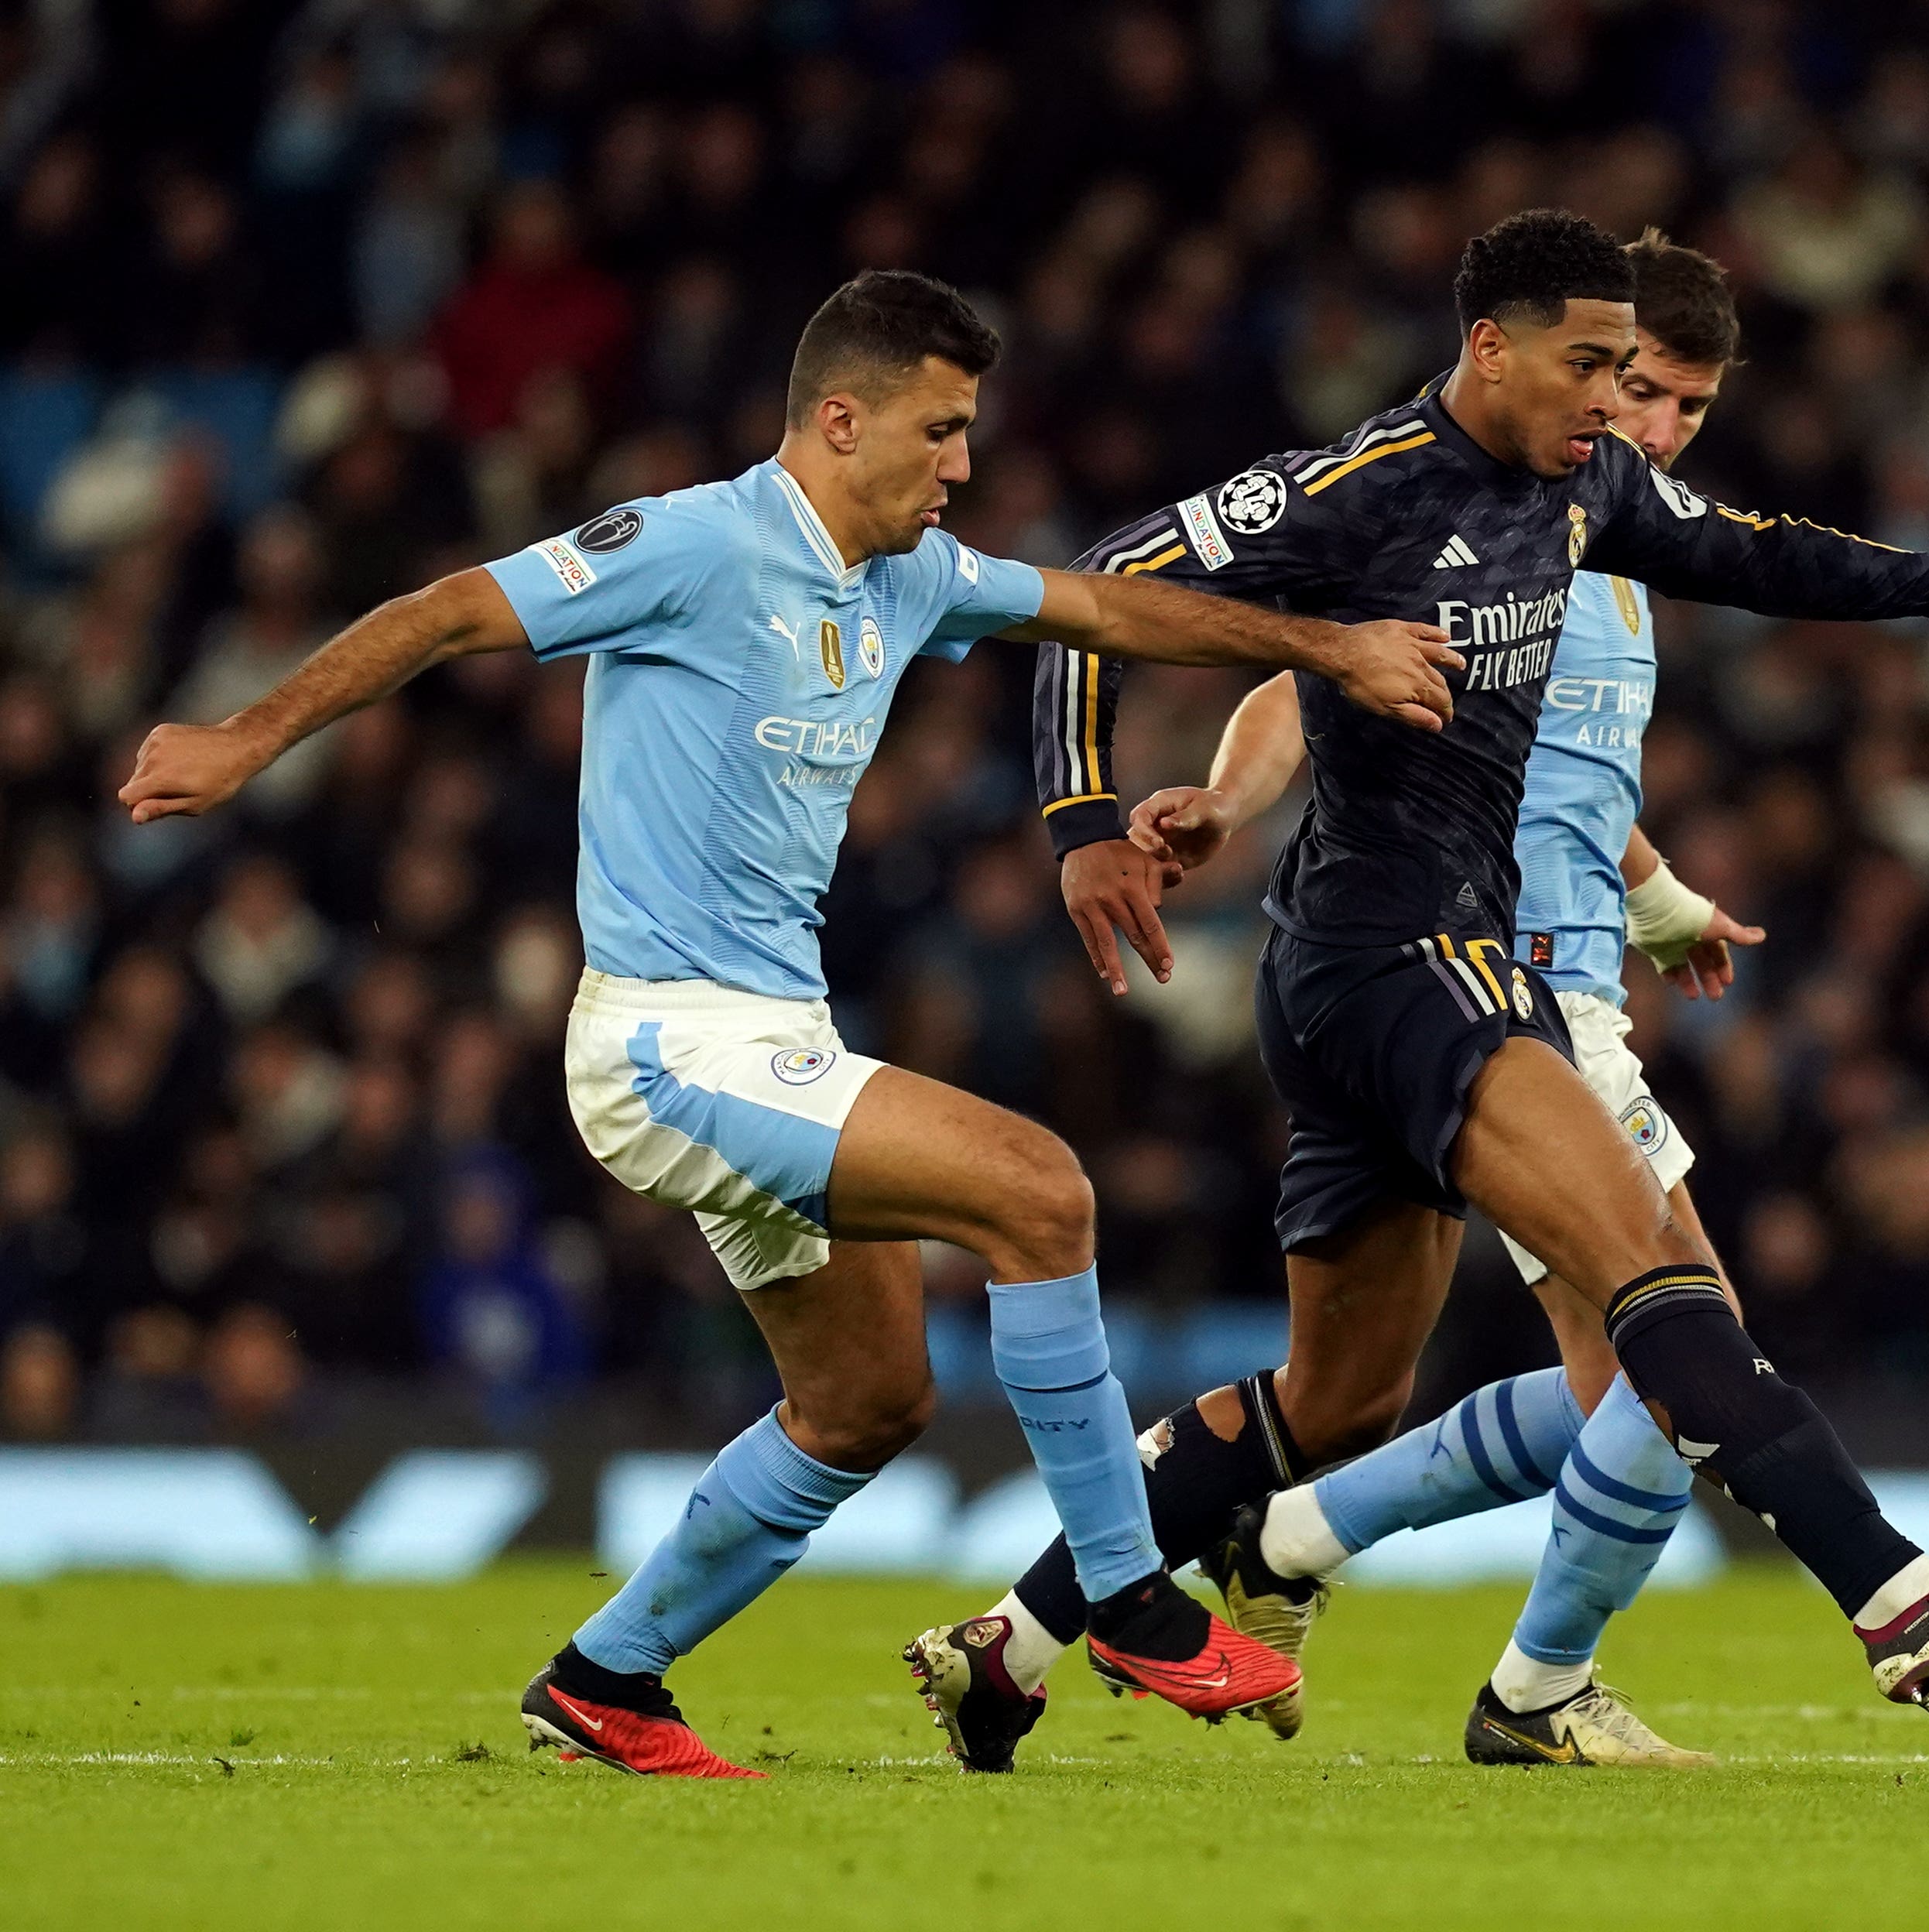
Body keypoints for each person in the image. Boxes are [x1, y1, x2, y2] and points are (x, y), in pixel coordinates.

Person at [119, 269, 1464, 1779]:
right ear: (841, 420)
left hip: (775, 1043)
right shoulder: (693, 544)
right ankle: (1131, 1597)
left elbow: (1106, 607)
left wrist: (1328, 651)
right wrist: (246, 737)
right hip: (662, 1044)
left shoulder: (913, 577)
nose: (962, 464)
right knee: (1042, 1193)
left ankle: (606, 1677)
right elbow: (446, 614)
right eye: (941, 431)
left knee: (865, 1398)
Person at [917, 211, 1929, 1774]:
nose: (1621, 405)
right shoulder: (1358, 489)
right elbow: (1092, 584)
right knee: (1654, 1278)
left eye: (1639, 374)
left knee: (1340, 1402)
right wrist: (1089, 818)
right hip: (1411, 964)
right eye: (1595, 367)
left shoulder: (1588, 490)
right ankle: (1883, 1590)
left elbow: (1763, 556)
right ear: (1490, 346)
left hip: (1383, 982)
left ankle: (1008, 1643)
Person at [1119, 231, 1765, 1768]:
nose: (1659, 431)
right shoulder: (1501, 509)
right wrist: (1227, 802)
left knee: (1451, 1385)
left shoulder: (1612, 545)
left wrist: (1663, 899)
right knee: (1683, 1365)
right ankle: (1532, 1684)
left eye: (1690, 407)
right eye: (1640, 390)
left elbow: (1569, 774)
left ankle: (1278, 1549)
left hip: (1556, 977)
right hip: (1491, 986)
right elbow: (1301, 680)